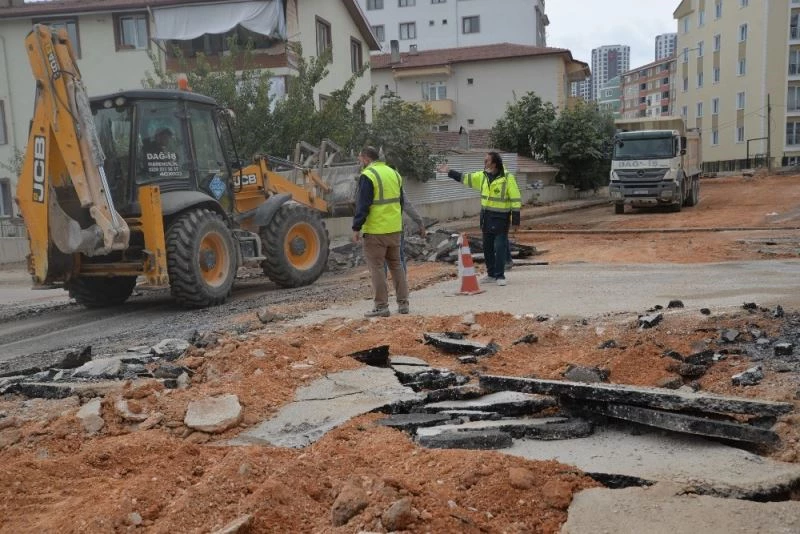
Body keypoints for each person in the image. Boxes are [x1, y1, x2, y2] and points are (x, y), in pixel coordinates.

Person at [439, 152, 521, 286]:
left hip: (501, 218)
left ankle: (500, 275)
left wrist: (515, 220)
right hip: (487, 217)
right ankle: (491, 274)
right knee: (487, 247)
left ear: (494, 164)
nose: (484, 164)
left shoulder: (507, 178)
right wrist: (449, 171)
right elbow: (465, 178)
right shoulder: (483, 176)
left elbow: (515, 198)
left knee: (499, 247)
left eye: (487, 161)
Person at [352, 146, 410, 317]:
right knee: (397, 265)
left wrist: (356, 227)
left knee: (377, 268)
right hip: (394, 228)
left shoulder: (368, 175)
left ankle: (381, 307)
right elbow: (400, 202)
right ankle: (403, 304)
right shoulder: (393, 173)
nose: (359, 162)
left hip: (376, 231)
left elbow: (363, 204)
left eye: (360, 158)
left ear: (366, 158)